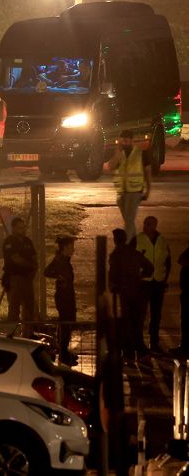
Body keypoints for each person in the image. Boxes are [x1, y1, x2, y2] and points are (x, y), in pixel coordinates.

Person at [109, 227, 153, 362]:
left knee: (125, 324)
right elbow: (150, 268)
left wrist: (113, 286)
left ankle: (129, 353)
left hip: (124, 294)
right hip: (138, 292)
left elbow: (112, 275)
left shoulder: (115, 255)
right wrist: (141, 275)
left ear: (115, 240)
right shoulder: (134, 253)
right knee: (137, 324)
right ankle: (141, 352)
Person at [134, 215, 171, 353]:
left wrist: (164, 279)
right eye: (145, 223)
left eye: (149, 224)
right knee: (141, 314)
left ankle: (154, 342)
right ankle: (139, 343)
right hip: (143, 282)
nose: (146, 226)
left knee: (156, 314)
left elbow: (168, 261)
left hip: (158, 282)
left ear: (155, 226)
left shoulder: (162, 240)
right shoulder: (138, 239)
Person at [106, 130, 152, 240]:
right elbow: (110, 167)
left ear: (132, 140)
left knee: (129, 220)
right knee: (128, 220)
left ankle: (126, 245)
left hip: (135, 192)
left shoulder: (140, 153)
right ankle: (134, 242)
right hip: (122, 193)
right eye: (122, 140)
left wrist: (148, 190)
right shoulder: (119, 154)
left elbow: (148, 173)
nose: (124, 143)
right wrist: (117, 154)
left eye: (126, 140)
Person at [44, 236, 78, 365]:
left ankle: (64, 350)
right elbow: (47, 272)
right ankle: (63, 353)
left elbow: (48, 271)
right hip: (64, 296)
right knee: (66, 323)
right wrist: (59, 276)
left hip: (66, 295)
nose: (73, 249)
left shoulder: (63, 259)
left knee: (67, 323)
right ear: (64, 248)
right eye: (71, 247)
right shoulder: (61, 260)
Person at [2, 216, 37, 330]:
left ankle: (28, 333)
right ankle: (12, 334)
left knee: (29, 307)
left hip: (27, 278)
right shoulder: (9, 242)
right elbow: (16, 259)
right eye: (20, 228)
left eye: (23, 227)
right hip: (14, 278)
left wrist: (33, 268)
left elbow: (34, 258)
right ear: (13, 228)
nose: (23, 230)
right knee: (14, 308)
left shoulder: (27, 241)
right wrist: (30, 265)